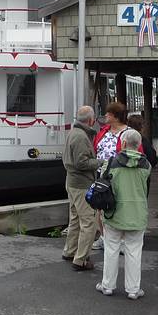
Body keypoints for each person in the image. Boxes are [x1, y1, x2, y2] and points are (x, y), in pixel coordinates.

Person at [96, 129, 151, 300]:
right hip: (137, 213)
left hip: (114, 213)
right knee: (134, 251)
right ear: (139, 145)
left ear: (124, 143)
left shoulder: (111, 162)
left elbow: (102, 181)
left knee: (111, 249)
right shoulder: (146, 165)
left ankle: (107, 285)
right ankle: (133, 289)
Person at [62, 105, 99, 271]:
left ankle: (70, 251)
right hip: (81, 183)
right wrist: (100, 161)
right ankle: (81, 259)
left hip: (71, 182)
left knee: (75, 219)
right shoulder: (82, 137)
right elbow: (82, 163)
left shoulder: (73, 133)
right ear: (91, 120)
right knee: (88, 222)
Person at [91, 102, 131, 251]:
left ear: (115, 116)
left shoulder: (128, 133)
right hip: (101, 176)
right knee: (100, 207)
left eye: (108, 113)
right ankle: (103, 237)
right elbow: (95, 149)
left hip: (119, 177)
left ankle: (120, 241)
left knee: (118, 207)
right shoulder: (103, 131)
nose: (105, 115)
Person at [127, 114, 158, 196]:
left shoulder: (123, 138)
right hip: (141, 176)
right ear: (141, 126)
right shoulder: (143, 141)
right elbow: (153, 159)